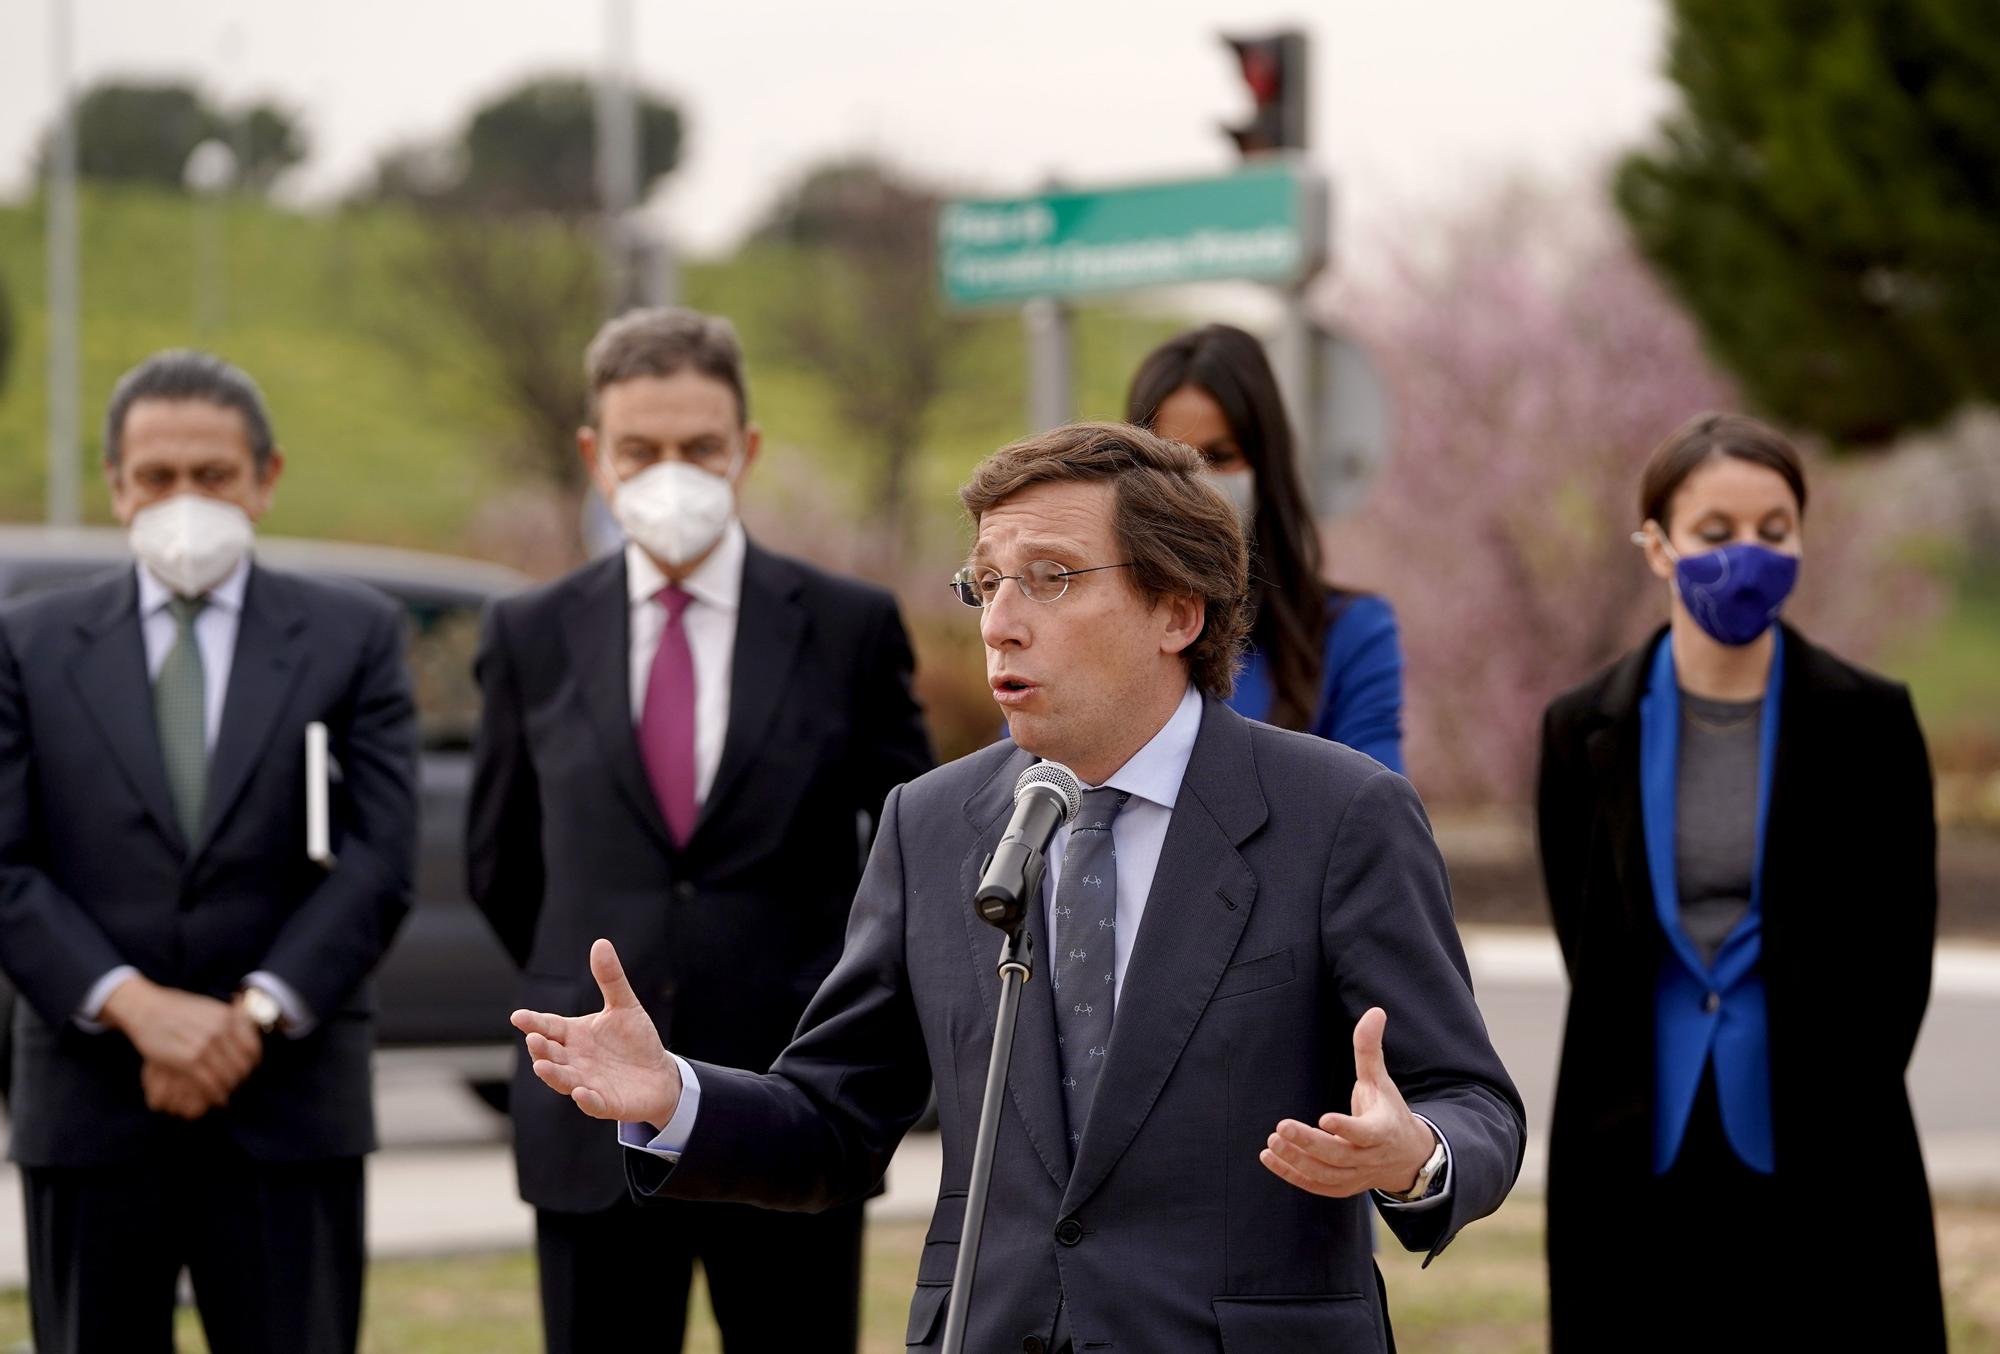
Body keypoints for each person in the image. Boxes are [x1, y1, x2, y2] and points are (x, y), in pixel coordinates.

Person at [512, 421, 1525, 1352]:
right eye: (985, 583)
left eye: (1048, 579)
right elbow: (835, 1117)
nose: (999, 622)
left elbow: (1470, 1100)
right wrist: (675, 1096)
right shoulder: (932, 821)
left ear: (1177, 608)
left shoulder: (1337, 813)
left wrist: (1413, 1152)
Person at [467, 306, 934, 1354]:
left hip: (788, 1110)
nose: (669, 472)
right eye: (641, 449)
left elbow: (917, 849)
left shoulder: (846, 627)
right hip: (590, 1121)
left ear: (746, 452)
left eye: (698, 448)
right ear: (595, 457)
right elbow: (502, 863)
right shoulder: (530, 634)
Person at [0, 350, 418, 1354]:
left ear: (265, 480)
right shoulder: (28, 643)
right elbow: (6, 864)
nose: (184, 500)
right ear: (116, 487)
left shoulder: (351, 635)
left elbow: (379, 858)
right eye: (156, 477)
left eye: (213, 475)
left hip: (285, 1103)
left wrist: (250, 1017)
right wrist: (138, 1010)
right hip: (93, 1103)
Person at [1536, 413, 1945, 1349]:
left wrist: (1846, 1089)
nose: (1749, 555)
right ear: (1657, 546)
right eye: (1716, 533)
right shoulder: (1579, 726)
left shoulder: (1872, 723)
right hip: (1634, 1135)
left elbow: (1900, 956)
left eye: (1775, 530)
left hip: (1829, 1141)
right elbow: (1587, 934)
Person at [1128, 323, 1405, 770]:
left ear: (1266, 463)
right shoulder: (1096, 627)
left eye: (1217, 457)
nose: (1196, 486)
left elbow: (1378, 819)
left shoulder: (1349, 633)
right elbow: (1026, 779)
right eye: (1170, 461)